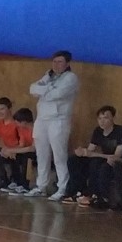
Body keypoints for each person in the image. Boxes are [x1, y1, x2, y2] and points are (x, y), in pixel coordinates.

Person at [26, 50, 79, 199]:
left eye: (60, 62)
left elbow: (57, 95)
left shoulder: (70, 78)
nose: (56, 65)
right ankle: (41, 186)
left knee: (59, 155)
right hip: (42, 119)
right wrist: (48, 88)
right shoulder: (48, 75)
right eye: (54, 61)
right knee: (41, 154)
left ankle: (62, 188)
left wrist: (43, 91)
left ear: (67, 64)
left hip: (58, 120)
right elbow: (32, 88)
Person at [63, 106, 122, 207]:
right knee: (74, 160)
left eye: (106, 118)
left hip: (114, 161)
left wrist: (93, 154)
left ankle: (92, 195)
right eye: (100, 118)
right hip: (103, 158)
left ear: (113, 118)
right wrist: (81, 152)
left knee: (95, 162)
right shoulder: (98, 131)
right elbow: (90, 150)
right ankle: (77, 191)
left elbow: (116, 156)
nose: (102, 121)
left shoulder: (121, 132)